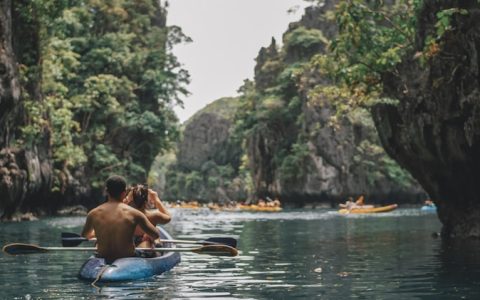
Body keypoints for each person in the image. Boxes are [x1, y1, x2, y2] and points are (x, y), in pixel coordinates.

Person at [81, 175, 161, 263]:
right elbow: (155, 235)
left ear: (106, 192)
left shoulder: (93, 213)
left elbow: (85, 235)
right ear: (124, 193)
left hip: (102, 256)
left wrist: (98, 232)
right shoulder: (135, 213)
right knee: (152, 249)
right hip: (128, 256)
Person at [124, 184, 171, 248]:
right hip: (145, 247)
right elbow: (168, 217)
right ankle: (155, 242)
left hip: (127, 246)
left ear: (128, 201)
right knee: (155, 231)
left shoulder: (123, 215)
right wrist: (156, 199)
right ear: (146, 202)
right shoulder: (154, 216)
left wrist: (126, 201)